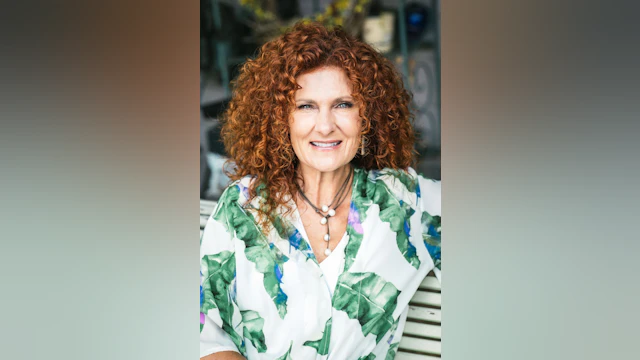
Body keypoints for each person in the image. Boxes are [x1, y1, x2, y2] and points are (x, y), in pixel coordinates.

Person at [200, 22, 441, 360]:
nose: (326, 125)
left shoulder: (408, 201)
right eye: (306, 106)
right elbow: (203, 330)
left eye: (343, 104)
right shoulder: (243, 206)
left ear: (367, 116)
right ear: (281, 118)